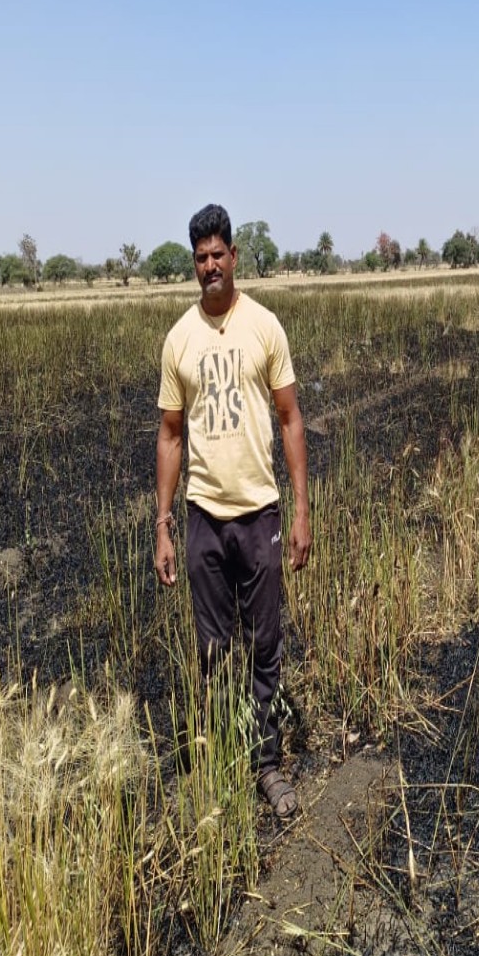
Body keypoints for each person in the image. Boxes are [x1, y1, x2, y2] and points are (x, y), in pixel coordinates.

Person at [154, 204, 313, 819]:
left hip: (260, 514)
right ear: (192, 263)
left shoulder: (265, 327)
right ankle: (221, 751)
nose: (210, 265)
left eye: (218, 253)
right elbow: (170, 435)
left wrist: (301, 513)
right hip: (203, 519)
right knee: (214, 648)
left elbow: (291, 418)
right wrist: (164, 525)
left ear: (234, 257)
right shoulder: (180, 339)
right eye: (200, 257)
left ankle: (266, 763)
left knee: (264, 642)